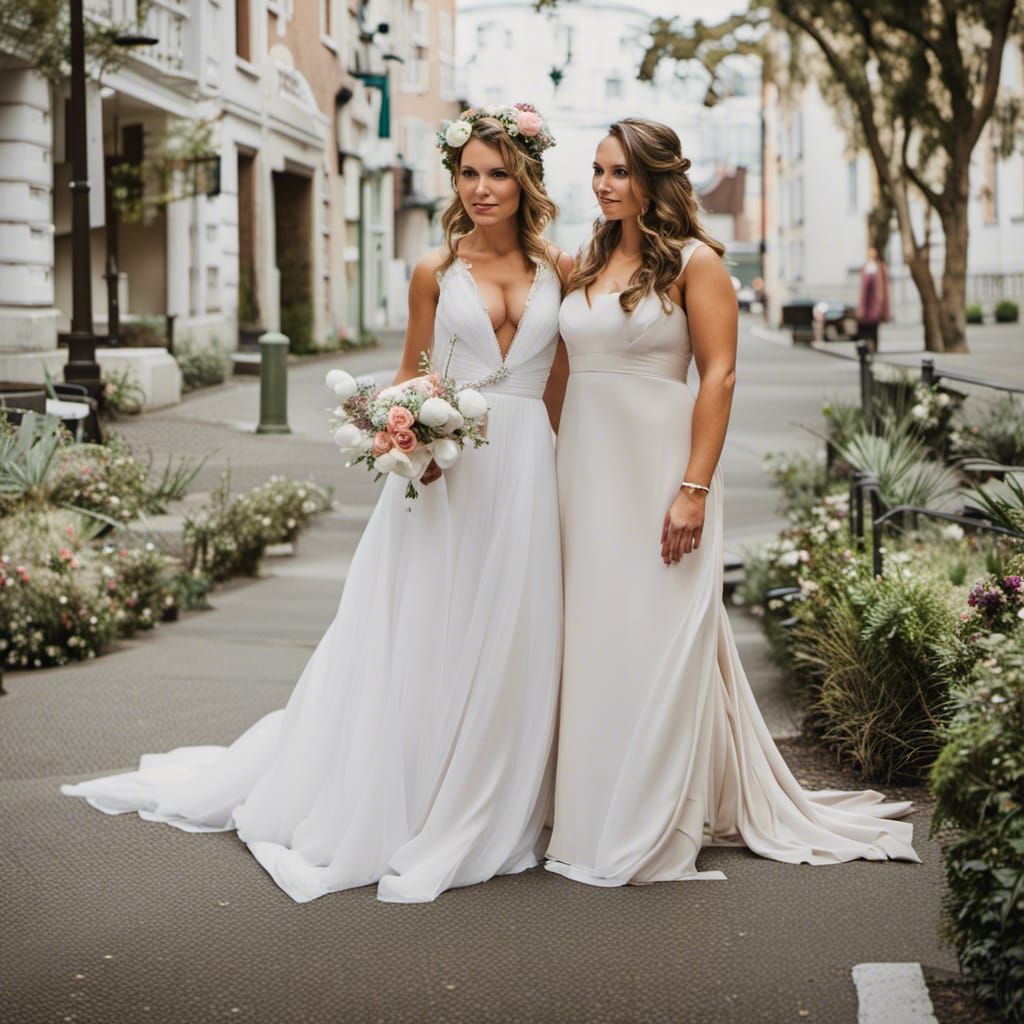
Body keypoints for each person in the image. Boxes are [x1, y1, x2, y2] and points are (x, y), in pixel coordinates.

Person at [63, 104, 572, 905]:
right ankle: (415, 791)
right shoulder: (434, 272)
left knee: (515, 630)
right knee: (429, 630)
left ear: (526, 178)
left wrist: (566, 475)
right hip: (451, 476)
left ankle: (499, 788)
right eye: (469, 172)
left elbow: (562, 391)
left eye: (498, 172)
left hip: (529, 477)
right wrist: (410, 446)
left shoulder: (560, 272)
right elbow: (410, 374)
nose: (481, 188)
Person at [545, 118, 919, 887]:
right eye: (596, 169)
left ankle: (654, 812)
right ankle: (590, 796)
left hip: (660, 473)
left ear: (654, 179)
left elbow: (718, 377)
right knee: (592, 636)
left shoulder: (698, 263)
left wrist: (694, 488)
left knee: (656, 635)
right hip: (581, 472)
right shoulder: (583, 262)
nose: (603, 184)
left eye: (619, 171)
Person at [857, 245, 890, 353]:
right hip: (867, 305)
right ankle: (865, 350)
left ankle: (873, 349)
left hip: (875, 306)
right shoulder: (866, 268)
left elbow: (883, 289)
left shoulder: (879, 268)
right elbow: (863, 289)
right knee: (864, 329)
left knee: (873, 329)